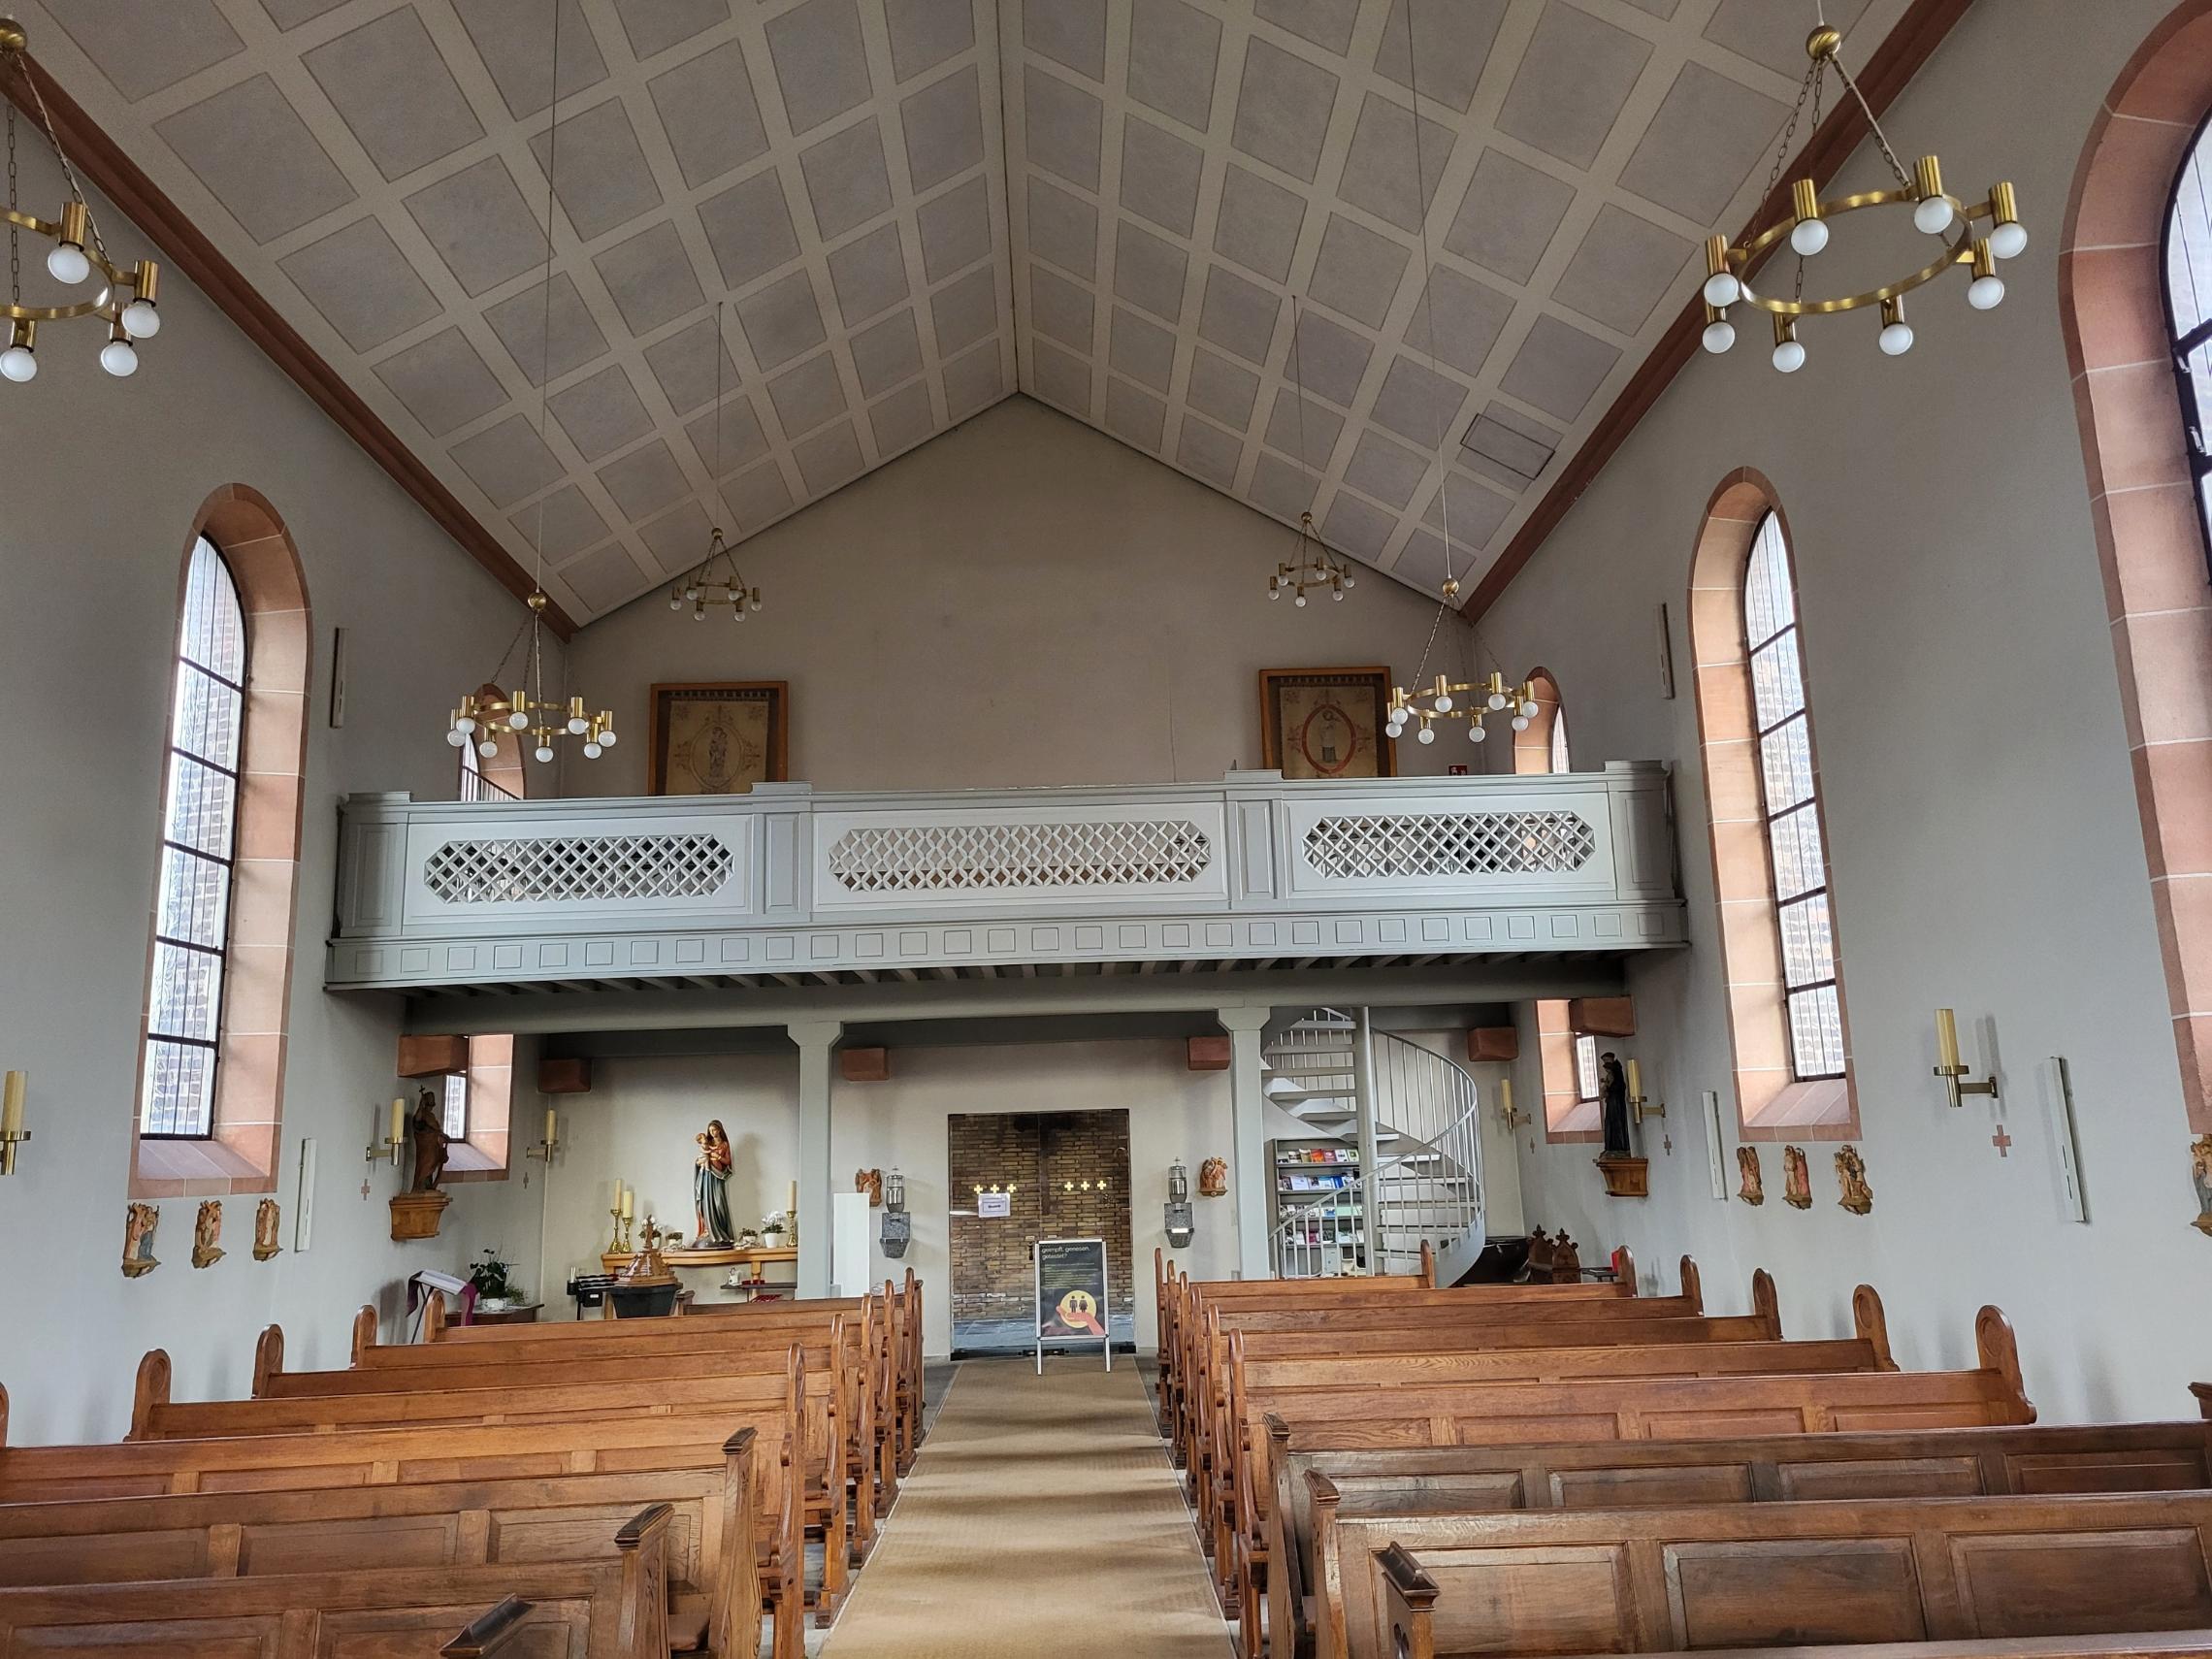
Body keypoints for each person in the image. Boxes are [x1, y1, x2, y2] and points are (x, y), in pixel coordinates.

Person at [694, 1119, 735, 1247]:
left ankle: (721, 1232)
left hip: (717, 1177)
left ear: (719, 1130)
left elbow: (727, 1161)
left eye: (714, 1129)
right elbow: (699, 1159)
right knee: (705, 1203)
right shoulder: (707, 1142)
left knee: (718, 1204)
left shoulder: (724, 1145)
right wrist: (700, 1162)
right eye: (710, 1130)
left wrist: (717, 1157)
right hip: (706, 1177)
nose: (712, 1132)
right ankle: (707, 1229)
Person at [1599, 1051, 1631, 1156]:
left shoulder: (1617, 1070)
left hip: (1616, 1102)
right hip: (1612, 1101)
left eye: (1606, 1060)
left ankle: (1619, 1147)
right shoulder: (1612, 1071)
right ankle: (1611, 1147)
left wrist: (1609, 1089)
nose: (1606, 1063)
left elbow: (1620, 1086)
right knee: (1610, 1122)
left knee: (1616, 1123)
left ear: (1611, 1059)